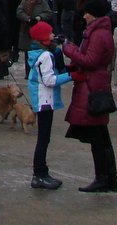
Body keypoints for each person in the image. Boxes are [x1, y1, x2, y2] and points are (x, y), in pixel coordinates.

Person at [64, 0, 117, 193]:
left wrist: (68, 48)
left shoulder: (98, 34)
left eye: (87, 12)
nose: (84, 16)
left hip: (92, 86)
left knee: (98, 137)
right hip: (95, 83)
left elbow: (90, 60)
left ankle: (103, 178)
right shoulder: (100, 32)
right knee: (101, 136)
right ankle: (109, 178)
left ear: (93, 14)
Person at [27, 20, 71, 189]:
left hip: (42, 98)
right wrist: (71, 75)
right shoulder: (46, 56)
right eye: (51, 33)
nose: (54, 35)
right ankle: (39, 174)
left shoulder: (37, 53)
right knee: (43, 139)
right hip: (45, 99)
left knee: (44, 138)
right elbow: (50, 80)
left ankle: (42, 172)